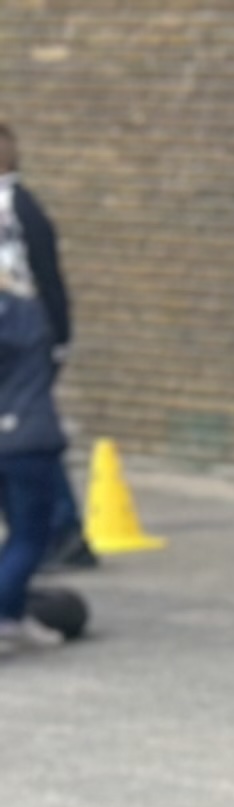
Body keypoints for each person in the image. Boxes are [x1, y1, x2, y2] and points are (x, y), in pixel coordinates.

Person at [0, 142, 86, 656]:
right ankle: (6, 612)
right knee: (31, 535)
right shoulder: (28, 322)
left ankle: (12, 613)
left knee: (19, 529)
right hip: (26, 435)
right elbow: (49, 312)